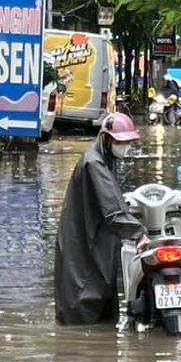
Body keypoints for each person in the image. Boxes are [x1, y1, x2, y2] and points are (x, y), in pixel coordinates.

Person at [54, 112, 144, 325]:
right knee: (82, 318)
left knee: (103, 321)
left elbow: (112, 202)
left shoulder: (105, 161)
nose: (125, 147)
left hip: (96, 253)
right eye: (120, 142)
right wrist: (139, 233)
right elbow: (113, 211)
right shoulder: (94, 164)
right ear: (106, 139)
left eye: (128, 142)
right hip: (83, 258)